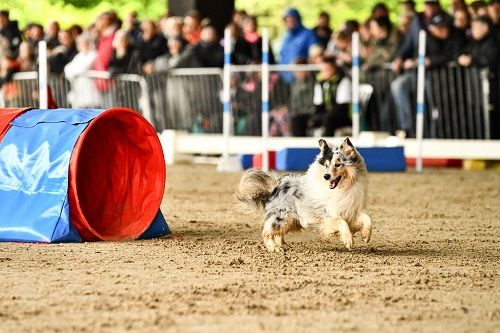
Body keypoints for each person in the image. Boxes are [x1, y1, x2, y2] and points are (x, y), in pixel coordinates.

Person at [391, 13, 466, 137]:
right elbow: (419, 55)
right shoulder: (425, 37)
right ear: (432, 29)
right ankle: (406, 127)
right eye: (439, 28)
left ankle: (434, 133)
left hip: (440, 78)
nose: (442, 30)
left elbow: (452, 55)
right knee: (398, 85)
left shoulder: (456, 36)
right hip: (419, 74)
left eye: (444, 27)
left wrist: (431, 61)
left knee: (432, 102)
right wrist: (412, 61)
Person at [312, 55, 351, 137]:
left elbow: (342, 107)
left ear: (334, 68)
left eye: (327, 69)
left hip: (343, 117)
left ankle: (327, 147)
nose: (325, 72)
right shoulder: (320, 83)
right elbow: (318, 106)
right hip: (327, 115)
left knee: (329, 120)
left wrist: (325, 116)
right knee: (299, 120)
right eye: (323, 69)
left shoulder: (343, 81)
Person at [279, 7, 317, 82]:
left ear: (298, 19)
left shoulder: (307, 34)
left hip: (302, 77)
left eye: (292, 20)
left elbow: (314, 53)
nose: (290, 23)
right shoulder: (285, 36)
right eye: (287, 20)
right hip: (285, 77)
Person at [64, 32, 101, 108]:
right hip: (78, 91)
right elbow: (67, 68)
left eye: (85, 43)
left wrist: (74, 71)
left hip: (91, 91)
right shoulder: (78, 56)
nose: (83, 45)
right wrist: (74, 71)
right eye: (81, 43)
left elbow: (83, 68)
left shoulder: (94, 54)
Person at [289, 57, 315, 136]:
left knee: (296, 120)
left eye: (298, 70)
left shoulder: (312, 82)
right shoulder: (295, 83)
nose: (295, 73)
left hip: (308, 112)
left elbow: (310, 102)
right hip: (297, 112)